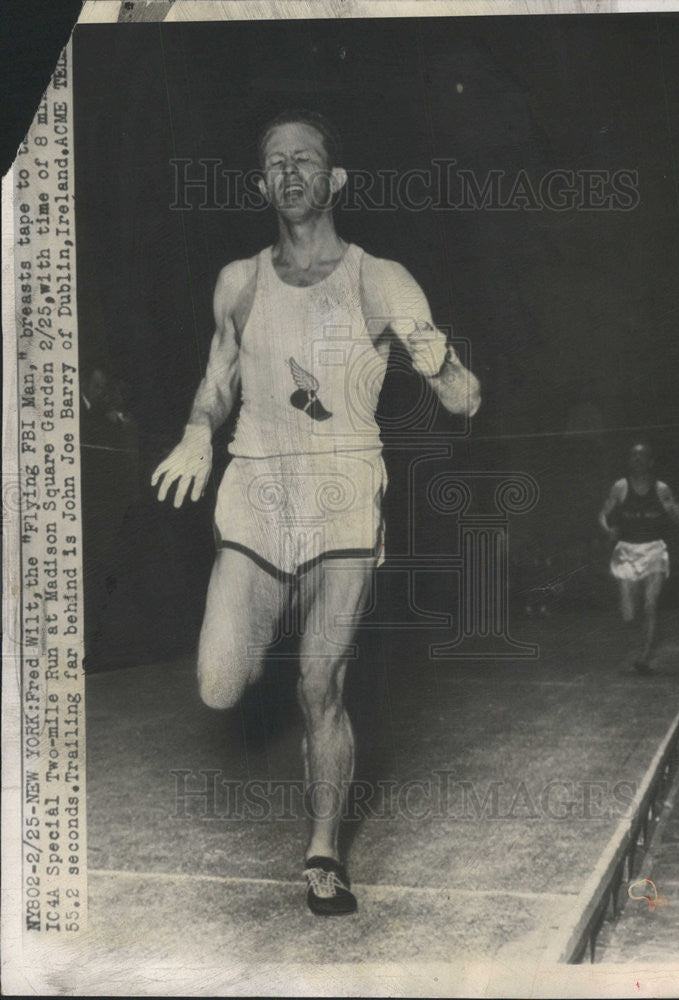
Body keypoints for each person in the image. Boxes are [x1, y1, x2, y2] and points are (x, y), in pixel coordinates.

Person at [151, 110, 481, 915]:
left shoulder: (381, 278)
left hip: (341, 491)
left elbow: (466, 399)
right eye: (274, 162)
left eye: (306, 159)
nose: (290, 171)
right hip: (259, 487)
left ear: (335, 181)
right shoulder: (238, 280)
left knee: (318, 680)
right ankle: (276, 598)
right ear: (263, 184)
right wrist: (198, 430)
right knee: (221, 684)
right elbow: (218, 379)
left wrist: (441, 368)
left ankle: (323, 853)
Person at [598, 443, 679, 673]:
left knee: (650, 603)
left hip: (654, 550)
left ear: (650, 462)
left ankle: (645, 657)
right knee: (629, 613)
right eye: (633, 456)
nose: (637, 459)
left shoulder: (661, 489)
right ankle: (641, 643)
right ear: (629, 461)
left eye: (642, 456)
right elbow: (603, 514)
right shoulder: (620, 487)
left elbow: (677, 513)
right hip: (626, 551)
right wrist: (607, 529)